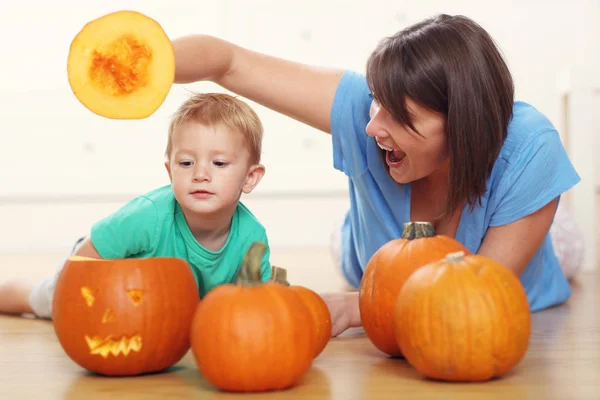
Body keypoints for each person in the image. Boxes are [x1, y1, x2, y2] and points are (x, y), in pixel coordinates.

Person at [169, 13, 582, 337]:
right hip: (361, 252)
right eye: (376, 103)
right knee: (347, 247)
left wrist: (357, 307)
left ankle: (552, 222)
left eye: (400, 117)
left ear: (461, 123)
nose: (372, 128)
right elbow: (227, 62)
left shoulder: (529, 147)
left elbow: (465, 302)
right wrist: (141, 64)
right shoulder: (359, 110)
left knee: (564, 241)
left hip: (531, 268)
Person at [0, 92, 272, 319]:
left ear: (250, 178)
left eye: (219, 163)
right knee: (47, 300)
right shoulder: (149, 216)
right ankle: (14, 293)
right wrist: (75, 298)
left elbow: (257, 303)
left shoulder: (252, 237)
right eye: (186, 163)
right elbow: (88, 256)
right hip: (100, 267)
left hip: (164, 310)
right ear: (170, 171)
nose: (200, 174)